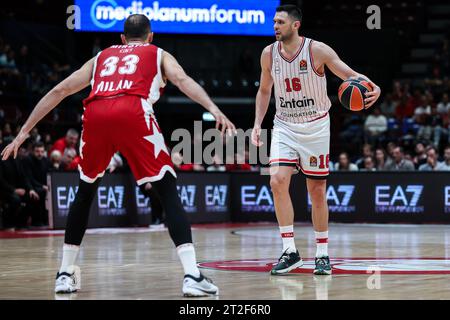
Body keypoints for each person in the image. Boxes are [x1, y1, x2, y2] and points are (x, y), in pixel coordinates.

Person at [1, 14, 235, 297]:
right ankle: (192, 274)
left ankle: (64, 273)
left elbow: (60, 90)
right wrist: (215, 109)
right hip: (133, 110)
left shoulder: (101, 57)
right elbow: (183, 80)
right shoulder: (157, 52)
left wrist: (24, 131)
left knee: (85, 191)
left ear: (122, 39)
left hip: (96, 113)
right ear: (151, 36)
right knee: (166, 188)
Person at [251, 5, 380, 276]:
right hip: (284, 125)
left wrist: (373, 86)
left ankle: (322, 253)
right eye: (274, 21)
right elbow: (264, 91)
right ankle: (290, 251)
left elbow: (349, 74)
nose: (275, 25)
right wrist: (257, 125)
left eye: (280, 22)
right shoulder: (268, 54)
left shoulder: (317, 50)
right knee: (276, 180)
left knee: (317, 191)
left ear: (295, 25)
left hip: (316, 127)